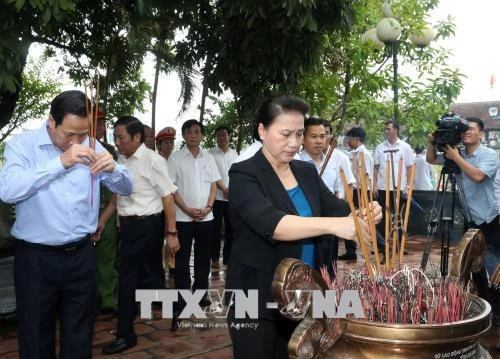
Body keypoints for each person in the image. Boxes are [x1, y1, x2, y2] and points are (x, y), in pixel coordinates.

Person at [226, 95, 381, 359]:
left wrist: (365, 212)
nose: (294, 143)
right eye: (285, 134)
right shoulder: (244, 174)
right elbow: (272, 224)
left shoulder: (305, 171)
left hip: (305, 295)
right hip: (255, 296)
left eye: (299, 134)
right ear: (262, 130)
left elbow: (337, 208)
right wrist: (337, 226)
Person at [0, 90, 133, 359]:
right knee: (36, 336)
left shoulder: (92, 145)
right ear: (52, 121)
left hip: (81, 256)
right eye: (69, 134)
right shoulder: (22, 146)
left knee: (80, 335)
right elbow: (7, 190)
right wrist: (60, 162)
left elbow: (128, 187)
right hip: (36, 259)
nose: (77, 142)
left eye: (83, 134)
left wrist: (114, 170)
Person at [99, 116, 179, 354]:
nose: (117, 141)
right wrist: (103, 221)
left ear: (136, 137)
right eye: (115, 137)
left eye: (121, 137)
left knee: (126, 277)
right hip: (128, 226)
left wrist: (171, 233)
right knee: (147, 278)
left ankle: (126, 335)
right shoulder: (121, 160)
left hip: (148, 225)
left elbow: (168, 198)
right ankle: (176, 304)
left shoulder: (153, 161)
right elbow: (117, 197)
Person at [427, 116, 498, 321]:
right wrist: (432, 143)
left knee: (493, 266)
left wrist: (456, 158)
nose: (467, 132)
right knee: (473, 264)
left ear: (481, 134)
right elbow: (431, 159)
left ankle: (498, 311)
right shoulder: (458, 152)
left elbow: (478, 176)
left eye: (472, 129)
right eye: (464, 129)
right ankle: (484, 305)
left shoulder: (489, 155)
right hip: (469, 216)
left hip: (489, 218)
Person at [168, 119, 221, 331]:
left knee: (203, 258)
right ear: (183, 135)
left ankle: (201, 294)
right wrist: (188, 209)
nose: (193, 135)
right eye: (189, 132)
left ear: (201, 135)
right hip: (183, 216)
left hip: (206, 217)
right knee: (182, 259)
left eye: (197, 131)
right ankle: (182, 301)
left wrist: (208, 207)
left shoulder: (209, 157)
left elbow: (214, 184)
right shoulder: (175, 158)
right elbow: (171, 188)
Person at [373, 120, 414, 253]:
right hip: (383, 187)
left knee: (399, 216)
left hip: (399, 187)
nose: (387, 131)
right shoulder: (380, 148)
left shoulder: (405, 147)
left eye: (389, 129)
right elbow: (376, 168)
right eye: (385, 129)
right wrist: (374, 185)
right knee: (382, 216)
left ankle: (399, 246)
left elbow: (410, 167)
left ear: (396, 129)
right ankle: (381, 246)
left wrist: (408, 185)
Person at [95, 112, 120, 314]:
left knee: (107, 258)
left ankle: (108, 300)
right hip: (81, 213)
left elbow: (118, 184)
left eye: (103, 123)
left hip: (107, 210)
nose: (101, 127)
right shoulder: (74, 150)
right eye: (97, 123)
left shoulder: (110, 150)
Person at [341, 126, 374, 261]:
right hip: (355, 191)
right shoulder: (354, 153)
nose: (348, 141)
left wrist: (365, 194)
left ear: (357, 139)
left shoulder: (364, 154)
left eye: (350, 138)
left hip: (361, 191)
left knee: (363, 220)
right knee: (351, 219)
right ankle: (350, 251)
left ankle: (382, 246)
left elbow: (368, 175)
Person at [209, 125, 238, 268]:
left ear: (229, 136)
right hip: (217, 198)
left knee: (231, 229)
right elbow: (212, 175)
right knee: (215, 229)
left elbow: (237, 174)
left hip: (232, 198)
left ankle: (228, 257)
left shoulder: (235, 154)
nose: (222, 137)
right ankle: (214, 258)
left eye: (224, 134)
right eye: (219, 135)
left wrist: (231, 189)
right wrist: (224, 188)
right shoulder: (211, 154)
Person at [155, 126, 177, 277]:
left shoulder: (176, 160)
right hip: (157, 208)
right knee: (157, 241)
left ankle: (172, 268)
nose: (169, 145)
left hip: (174, 207)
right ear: (159, 145)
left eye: (171, 142)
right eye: (166, 142)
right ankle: (159, 269)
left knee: (172, 238)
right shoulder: (156, 161)